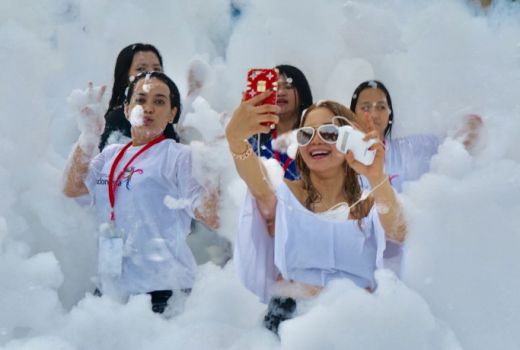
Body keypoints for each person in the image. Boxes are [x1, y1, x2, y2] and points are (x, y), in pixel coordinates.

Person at [226, 97, 406, 334]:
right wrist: (236, 140)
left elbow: (398, 232)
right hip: (292, 320)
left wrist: (375, 176)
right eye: (306, 135)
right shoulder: (285, 196)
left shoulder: (372, 202)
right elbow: (257, 183)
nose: (315, 141)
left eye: (329, 133)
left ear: (348, 139)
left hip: (356, 324)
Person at [63, 71, 219, 314]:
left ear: (172, 114)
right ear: (127, 109)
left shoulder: (178, 156)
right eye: (141, 100)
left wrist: (213, 169)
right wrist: (89, 135)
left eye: (159, 102)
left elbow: (210, 214)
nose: (148, 108)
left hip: (163, 291)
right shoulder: (110, 154)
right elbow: (73, 188)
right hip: (112, 289)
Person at [350, 79, 482, 272]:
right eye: (366, 107)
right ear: (352, 115)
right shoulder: (343, 162)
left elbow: (458, 144)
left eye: (381, 107)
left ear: (390, 115)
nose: (374, 114)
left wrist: (471, 129)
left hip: (414, 264)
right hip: (362, 268)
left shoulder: (415, 149)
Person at [98, 43, 173, 150]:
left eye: (156, 70)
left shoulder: (165, 120)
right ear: (125, 76)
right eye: (141, 69)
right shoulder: (116, 121)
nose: (151, 75)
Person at [249, 64, 313, 180]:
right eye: (274, 88)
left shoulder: (315, 138)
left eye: (288, 86)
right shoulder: (254, 140)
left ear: (302, 92)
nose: (281, 92)